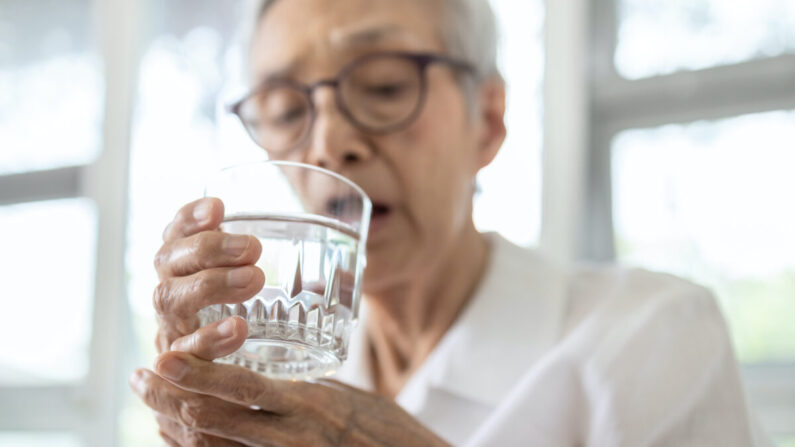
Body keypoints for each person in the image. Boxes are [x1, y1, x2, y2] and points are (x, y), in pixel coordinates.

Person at [129, 0, 770, 445]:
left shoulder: (651, 337)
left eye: (383, 87)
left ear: (487, 121)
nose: (328, 143)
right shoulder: (281, 371)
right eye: (283, 106)